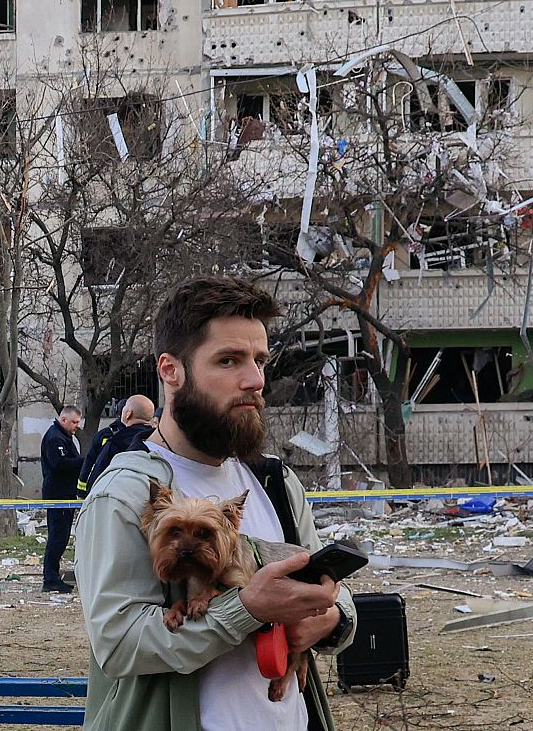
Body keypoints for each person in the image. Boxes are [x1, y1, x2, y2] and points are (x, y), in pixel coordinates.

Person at [76, 277, 356, 731]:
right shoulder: (124, 493)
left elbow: (335, 592)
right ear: (171, 370)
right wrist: (248, 609)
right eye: (229, 360)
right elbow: (119, 642)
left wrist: (332, 618)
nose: (255, 380)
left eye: (260, 360)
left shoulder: (275, 483)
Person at [41, 405, 85, 593]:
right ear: (64, 420)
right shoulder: (55, 438)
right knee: (57, 537)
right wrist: (85, 461)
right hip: (57, 494)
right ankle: (50, 578)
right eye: (74, 422)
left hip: (65, 493)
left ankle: (53, 576)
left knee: (62, 536)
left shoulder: (65, 437)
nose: (76, 426)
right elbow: (59, 464)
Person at [78, 394, 157, 496]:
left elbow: (99, 472)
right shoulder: (157, 440)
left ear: (129, 414)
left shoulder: (117, 441)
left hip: (118, 500)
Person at [76, 398, 127, 497]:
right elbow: (89, 462)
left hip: (103, 488)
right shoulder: (145, 436)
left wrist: (82, 493)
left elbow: (89, 463)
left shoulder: (104, 435)